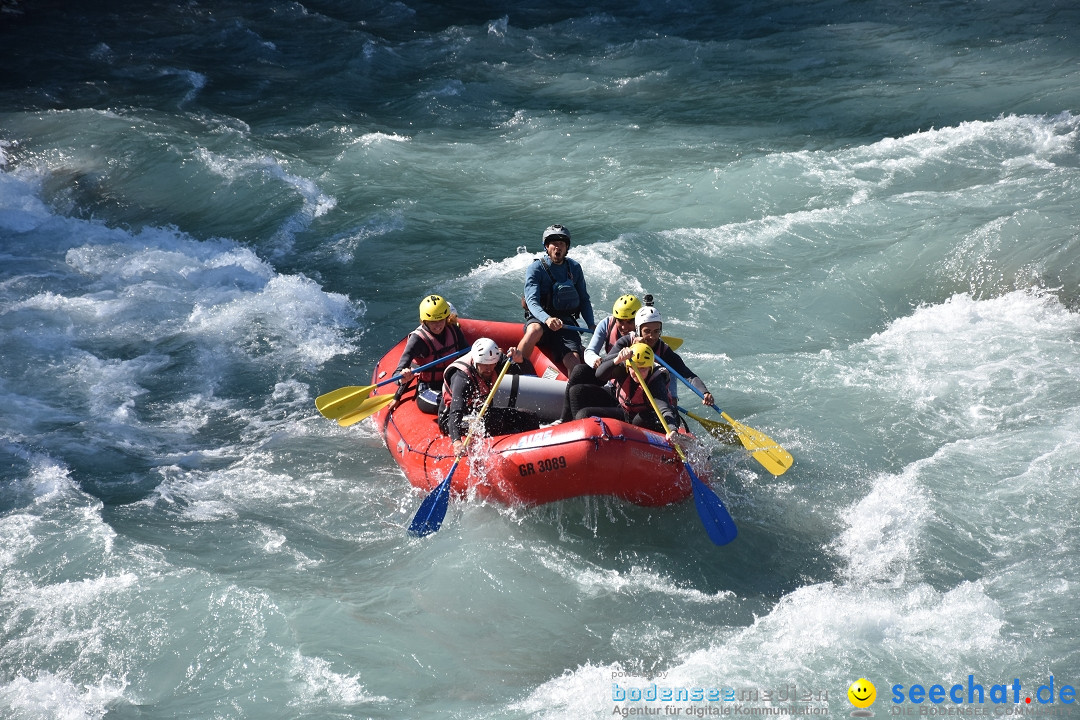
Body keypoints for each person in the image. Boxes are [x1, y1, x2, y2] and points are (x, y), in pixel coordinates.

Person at [438, 337, 541, 454]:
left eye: (492, 364)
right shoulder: (462, 377)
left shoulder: (498, 361)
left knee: (530, 417)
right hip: (452, 420)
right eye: (484, 365)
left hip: (481, 413)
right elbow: (456, 411)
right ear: (476, 361)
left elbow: (529, 373)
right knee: (495, 422)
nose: (489, 369)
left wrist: (520, 359)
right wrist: (456, 442)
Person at [518, 224, 596, 373]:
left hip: (565, 323)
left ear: (567, 248)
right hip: (540, 320)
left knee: (573, 359)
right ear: (546, 246)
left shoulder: (574, 268)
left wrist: (591, 324)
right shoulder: (535, 269)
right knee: (534, 330)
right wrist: (547, 319)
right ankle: (514, 370)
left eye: (562, 244)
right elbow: (531, 301)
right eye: (553, 243)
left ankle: (573, 392)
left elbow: (584, 299)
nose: (557, 247)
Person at [566, 342, 680, 438]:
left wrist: (672, 429)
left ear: (650, 368)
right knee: (578, 396)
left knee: (638, 421)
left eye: (643, 369)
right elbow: (599, 374)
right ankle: (579, 438)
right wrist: (616, 360)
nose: (638, 373)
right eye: (635, 368)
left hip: (651, 417)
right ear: (628, 366)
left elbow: (663, 408)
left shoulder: (655, 380)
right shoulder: (624, 367)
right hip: (626, 411)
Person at [558, 293, 642, 422]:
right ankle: (565, 420)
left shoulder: (643, 334)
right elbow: (589, 351)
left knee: (579, 391)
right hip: (609, 374)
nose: (624, 327)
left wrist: (672, 398)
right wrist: (595, 360)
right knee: (579, 371)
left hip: (629, 386)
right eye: (620, 321)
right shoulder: (607, 324)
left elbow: (662, 371)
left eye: (630, 321)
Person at [612, 305, 716, 409]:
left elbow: (687, 375)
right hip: (624, 395)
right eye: (647, 331)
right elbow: (607, 363)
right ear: (638, 330)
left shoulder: (664, 350)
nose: (652, 337)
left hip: (652, 397)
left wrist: (704, 392)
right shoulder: (626, 342)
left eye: (656, 331)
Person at [395, 295, 470, 413]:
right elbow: (397, 374)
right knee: (453, 403)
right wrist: (402, 378)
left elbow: (469, 355)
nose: (438, 325)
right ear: (424, 321)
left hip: (452, 382)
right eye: (433, 322)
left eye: (441, 320)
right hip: (428, 388)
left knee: (475, 398)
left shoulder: (454, 330)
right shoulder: (417, 339)